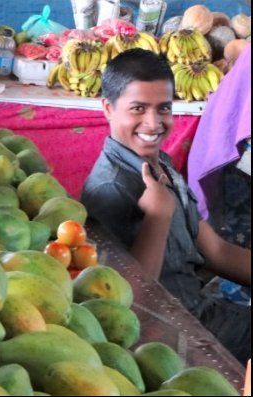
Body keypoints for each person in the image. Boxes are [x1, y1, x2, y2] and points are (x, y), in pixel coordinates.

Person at [81, 48, 251, 362]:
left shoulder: (159, 166)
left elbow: (216, 252)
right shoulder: (110, 188)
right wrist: (157, 217)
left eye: (163, 109)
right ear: (107, 108)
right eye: (138, 108)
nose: (153, 122)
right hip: (170, 340)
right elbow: (127, 306)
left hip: (201, 313)